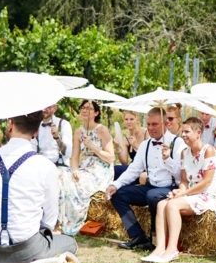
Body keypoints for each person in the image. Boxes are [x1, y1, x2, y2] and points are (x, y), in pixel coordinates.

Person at [0, 110, 77, 263]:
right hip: (27, 251)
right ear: (36, 132)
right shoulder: (46, 166)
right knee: (70, 243)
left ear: (10, 124)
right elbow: (50, 220)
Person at [143, 117, 216, 263]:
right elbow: (185, 181)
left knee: (173, 205)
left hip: (209, 195)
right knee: (162, 204)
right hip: (192, 194)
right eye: (183, 132)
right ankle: (160, 248)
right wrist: (179, 191)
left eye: (187, 132)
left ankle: (172, 249)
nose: (183, 135)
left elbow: (207, 181)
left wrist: (184, 193)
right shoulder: (184, 153)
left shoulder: (209, 151)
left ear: (198, 133)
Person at [106, 107, 184, 251]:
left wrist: (168, 159)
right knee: (118, 194)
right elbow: (133, 170)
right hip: (150, 186)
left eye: (154, 124)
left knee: (153, 196)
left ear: (165, 124)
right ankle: (138, 235)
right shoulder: (145, 145)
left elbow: (181, 175)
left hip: (170, 187)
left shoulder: (178, 143)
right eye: (148, 124)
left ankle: (157, 237)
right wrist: (115, 185)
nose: (150, 128)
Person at [56, 100, 115, 235]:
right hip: (84, 166)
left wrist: (92, 146)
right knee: (60, 174)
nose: (84, 110)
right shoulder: (78, 132)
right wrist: (75, 169)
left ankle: (69, 222)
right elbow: (75, 156)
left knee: (71, 180)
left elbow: (111, 157)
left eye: (88, 108)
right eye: (83, 107)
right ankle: (59, 222)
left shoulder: (102, 130)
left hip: (100, 170)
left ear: (96, 113)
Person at [34, 103, 72, 169]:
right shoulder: (37, 126)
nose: (44, 109)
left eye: (48, 107)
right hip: (41, 167)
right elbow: (33, 148)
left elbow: (67, 153)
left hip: (59, 166)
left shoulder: (64, 124)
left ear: (55, 108)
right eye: (42, 106)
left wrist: (57, 138)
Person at [113, 109, 147, 180]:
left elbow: (149, 155)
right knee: (114, 169)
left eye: (131, 119)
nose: (129, 122)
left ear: (137, 120)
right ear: (124, 121)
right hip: (134, 167)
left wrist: (136, 145)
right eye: (126, 119)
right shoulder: (126, 139)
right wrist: (117, 147)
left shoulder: (146, 133)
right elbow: (124, 162)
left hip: (146, 167)